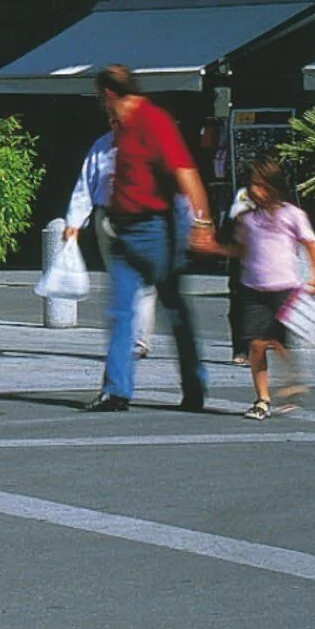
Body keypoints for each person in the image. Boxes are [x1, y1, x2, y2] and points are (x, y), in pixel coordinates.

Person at [88, 63, 211, 415]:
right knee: (121, 311)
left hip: (157, 229)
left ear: (108, 94)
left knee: (174, 309)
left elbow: (187, 174)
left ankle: (194, 387)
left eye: (100, 98)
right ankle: (116, 391)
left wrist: (202, 225)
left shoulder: (154, 121)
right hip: (125, 230)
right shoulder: (123, 127)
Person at [225, 156, 315, 419]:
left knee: (277, 342)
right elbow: (241, 249)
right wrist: (214, 248)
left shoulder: (292, 214)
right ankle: (262, 399)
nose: (255, 190)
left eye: (261, 185)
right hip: (252, 288)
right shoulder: (247, 219)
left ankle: (292, 377)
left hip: (284, 288)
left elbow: (311, 243)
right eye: (252, 184)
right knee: (256, 345)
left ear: (274, 186)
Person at [60, 128, 155, 359]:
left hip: (143, 217)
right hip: (109, 218)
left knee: (145, 281)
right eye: (112, 119)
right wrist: (74, 221)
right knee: (120, 278)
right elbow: (86, 183)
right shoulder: (102, 146)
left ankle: (139, 340)